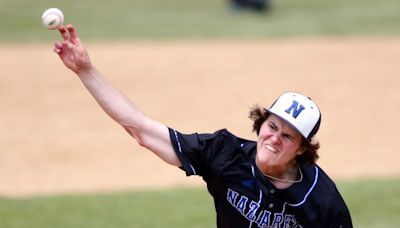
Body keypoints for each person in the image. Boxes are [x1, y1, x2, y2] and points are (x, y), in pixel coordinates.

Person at [53, 24, 353, 228]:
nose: (274, 139)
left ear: (302, 149)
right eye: (272, 126)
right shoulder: (225, 154)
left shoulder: (322, 200)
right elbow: (141, 131)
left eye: (287, 136)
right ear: (261, 123)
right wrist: (85, 70)